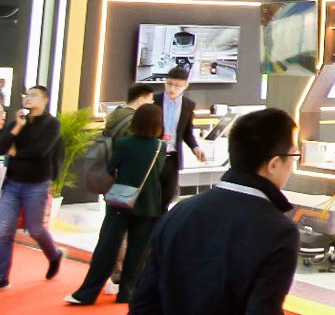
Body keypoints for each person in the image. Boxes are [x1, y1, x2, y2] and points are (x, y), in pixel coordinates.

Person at [129, 107, 301, 315]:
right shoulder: (278, 231)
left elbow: (144, 302)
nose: (292, 164)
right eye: (294, 155)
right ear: (273, 164)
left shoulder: (180, 211)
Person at [67, 104, 166, 305]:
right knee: (138, 250)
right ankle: (127, 292)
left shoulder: (124, 143)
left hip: (121, 201)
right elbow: (159, 171)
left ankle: (88, 292)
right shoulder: (160, 146)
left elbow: (112, 167)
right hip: (148, 203)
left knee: (108, 245)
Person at [0, 85, 65, 289]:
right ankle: (2, 277)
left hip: (37, 184)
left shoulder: (53, 124)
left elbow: (40, 152)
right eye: (27, 94)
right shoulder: (18, 121)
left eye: (34, 95)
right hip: (12, 183)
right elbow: (1, 147)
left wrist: (16, 153)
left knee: (35, 229)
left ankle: (54, 255)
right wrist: (17, 128)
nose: (28, 98)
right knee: (3, 230)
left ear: (45, 100)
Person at [155, 67, 206, 210]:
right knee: (151, 197)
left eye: (177, 85)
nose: (172, 89)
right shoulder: (154, 100)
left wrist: (195, 148)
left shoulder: (188, 105)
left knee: (167, 196)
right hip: (154, 154)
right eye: (169, 84)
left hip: (172, 157)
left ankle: (163, 222)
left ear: (185, 85)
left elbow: (187, 132)